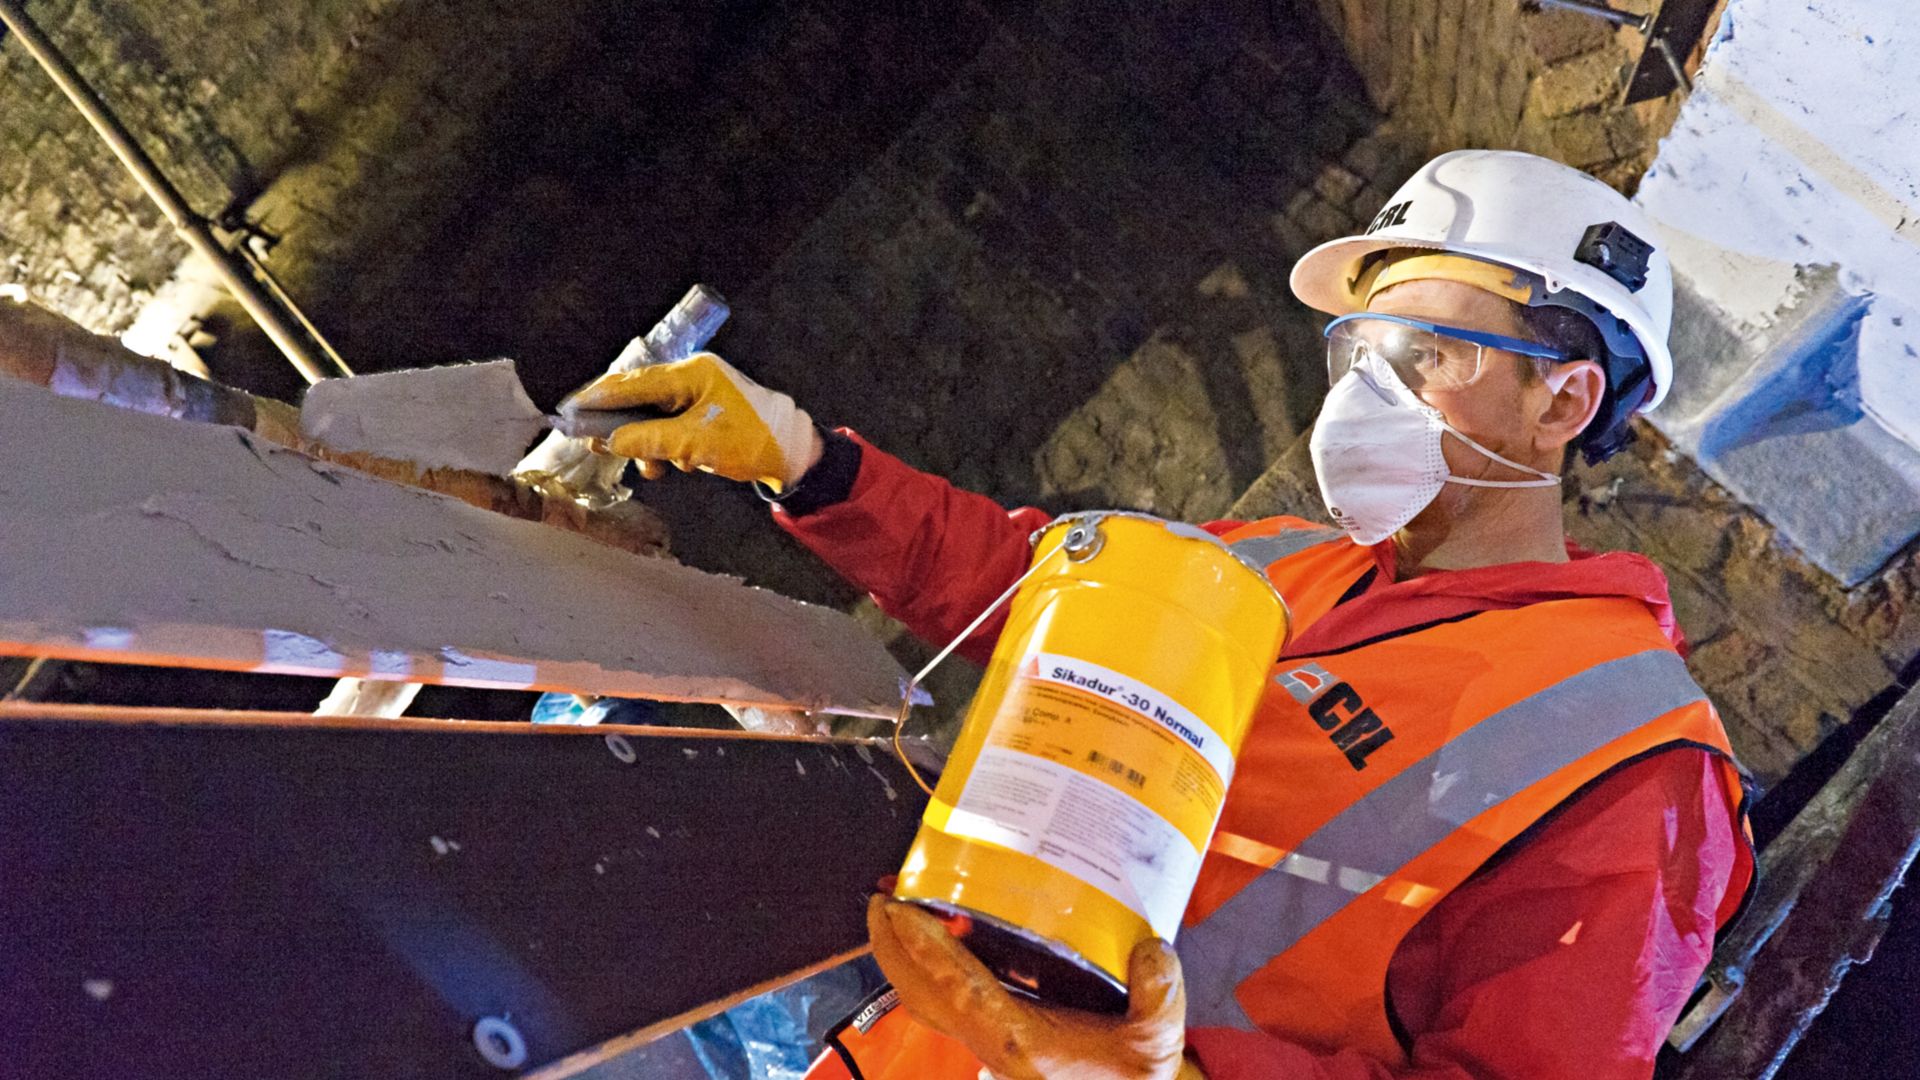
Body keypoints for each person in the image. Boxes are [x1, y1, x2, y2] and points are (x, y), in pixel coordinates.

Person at [571, 150, 1755, 1080]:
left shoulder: (1632, 759)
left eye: (1418, 355)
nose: (1360, 395)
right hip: (911, 1040)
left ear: (1564, 400)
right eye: (1353, 351)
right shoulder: (1287, 566)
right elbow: (1036, 593)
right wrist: (807, 458)